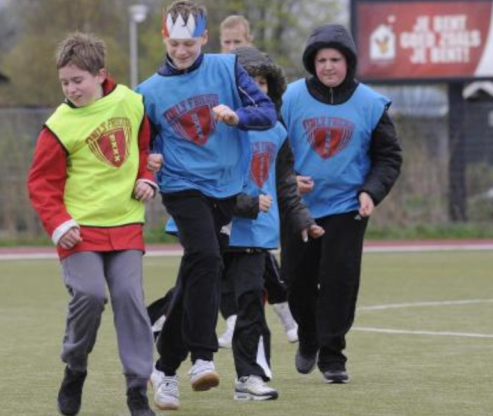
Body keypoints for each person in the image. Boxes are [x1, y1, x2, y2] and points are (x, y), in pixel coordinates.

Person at [135, 0, 277, 411]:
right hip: (182, 186)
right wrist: (151, 159)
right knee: (208, 260)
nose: (182, 51)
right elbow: (145, 142)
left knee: (195, 275)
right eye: (175, 43)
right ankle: (201, 358)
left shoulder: (228, 68)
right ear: (165, 38)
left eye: (190, 43)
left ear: (203, 38)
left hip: (226, 188)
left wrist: (237, 117)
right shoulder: (148, 91)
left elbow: (266, 111)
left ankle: (163, 369)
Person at [27, 32, 157, 416]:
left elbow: (146, 147)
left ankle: (137, 390)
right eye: (65, 82)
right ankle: (75, 366)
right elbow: (41, 183)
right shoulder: (59, 125)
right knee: (90, 295)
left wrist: (147, 178)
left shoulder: (131, 103)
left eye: (78, 80)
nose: (71, 89)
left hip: (126, 224)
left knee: (130, 300)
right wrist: (59, 223)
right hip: (78, 231)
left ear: (101, 74)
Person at [281, 24, 402, 384]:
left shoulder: (370, 104)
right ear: (311, 63)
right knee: (296, 282)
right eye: (321, 60)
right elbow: (269, 148)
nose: (329, 66)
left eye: (336, 59)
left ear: (348, 62)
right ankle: (308, 337)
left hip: (347, 206)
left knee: (339, 280)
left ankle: (332, 355)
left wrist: (371, 192)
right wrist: (288, 181)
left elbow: (388, 157)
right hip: (298, 207)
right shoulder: (288, 99)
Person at [214, 15, 300, 347]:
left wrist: (290, 180)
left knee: (260, 260)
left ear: (249, 40)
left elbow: (280, 152)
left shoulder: (264, 98)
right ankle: (236, 319)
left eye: (238, 42)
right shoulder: (217, 79)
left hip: (258, 200)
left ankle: (281, 315)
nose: (232, 48)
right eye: (227, 42)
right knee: (220, 263)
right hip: (229, 198)